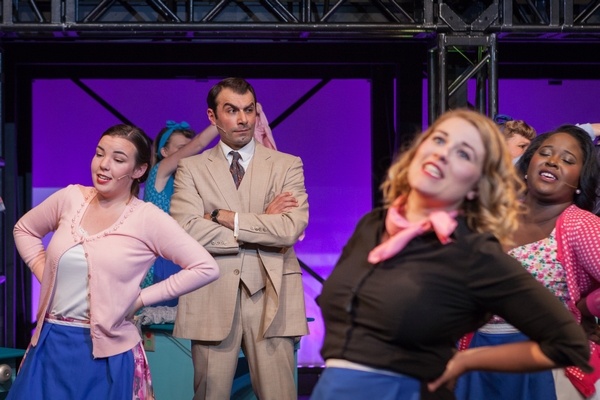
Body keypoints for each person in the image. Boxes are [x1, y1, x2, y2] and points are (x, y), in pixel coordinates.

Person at [312, 110, 591, 400]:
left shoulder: (472, 252)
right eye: (439, 139)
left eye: (463, 154)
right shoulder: (373, 224)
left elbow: (568, 344)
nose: (443, 154)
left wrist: (467, 360)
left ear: (476, 184)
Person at [9, 124, 220, 399]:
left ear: (139, 170)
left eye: (118, 159)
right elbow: (24, 229)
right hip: (50, 344)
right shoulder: (71, 197)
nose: (104, 165)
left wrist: (140, 299)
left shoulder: (147, 218)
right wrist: (45, 273)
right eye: (99, 154)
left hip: (108, 354)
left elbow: (205, 267)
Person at [170, 77, 309, 400]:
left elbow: (290, 228)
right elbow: (185, 230)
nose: (243, 119)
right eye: (232, 110)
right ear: (212, 115)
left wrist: (223, 217)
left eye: (249, 110)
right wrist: (264, 223)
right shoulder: (191, 168)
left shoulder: (287, 165)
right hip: (211, 294)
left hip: (273, 294)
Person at [455, 125, 600, 400]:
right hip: (477, 357)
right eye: (544, 153)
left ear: (581, 179)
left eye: (567, 160)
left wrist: (584, 307)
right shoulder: (494, 215)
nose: (553, 161)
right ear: (527, 165)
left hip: (545, 365)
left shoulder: (581, 225)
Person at [140, 121, 219, 294]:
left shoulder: (186, 183)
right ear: (164, 152)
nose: (189, 153)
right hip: (159, 262)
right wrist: (224, 119)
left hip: (179, 258)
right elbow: (199, 143)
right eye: (182, 148)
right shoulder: (159, 171)